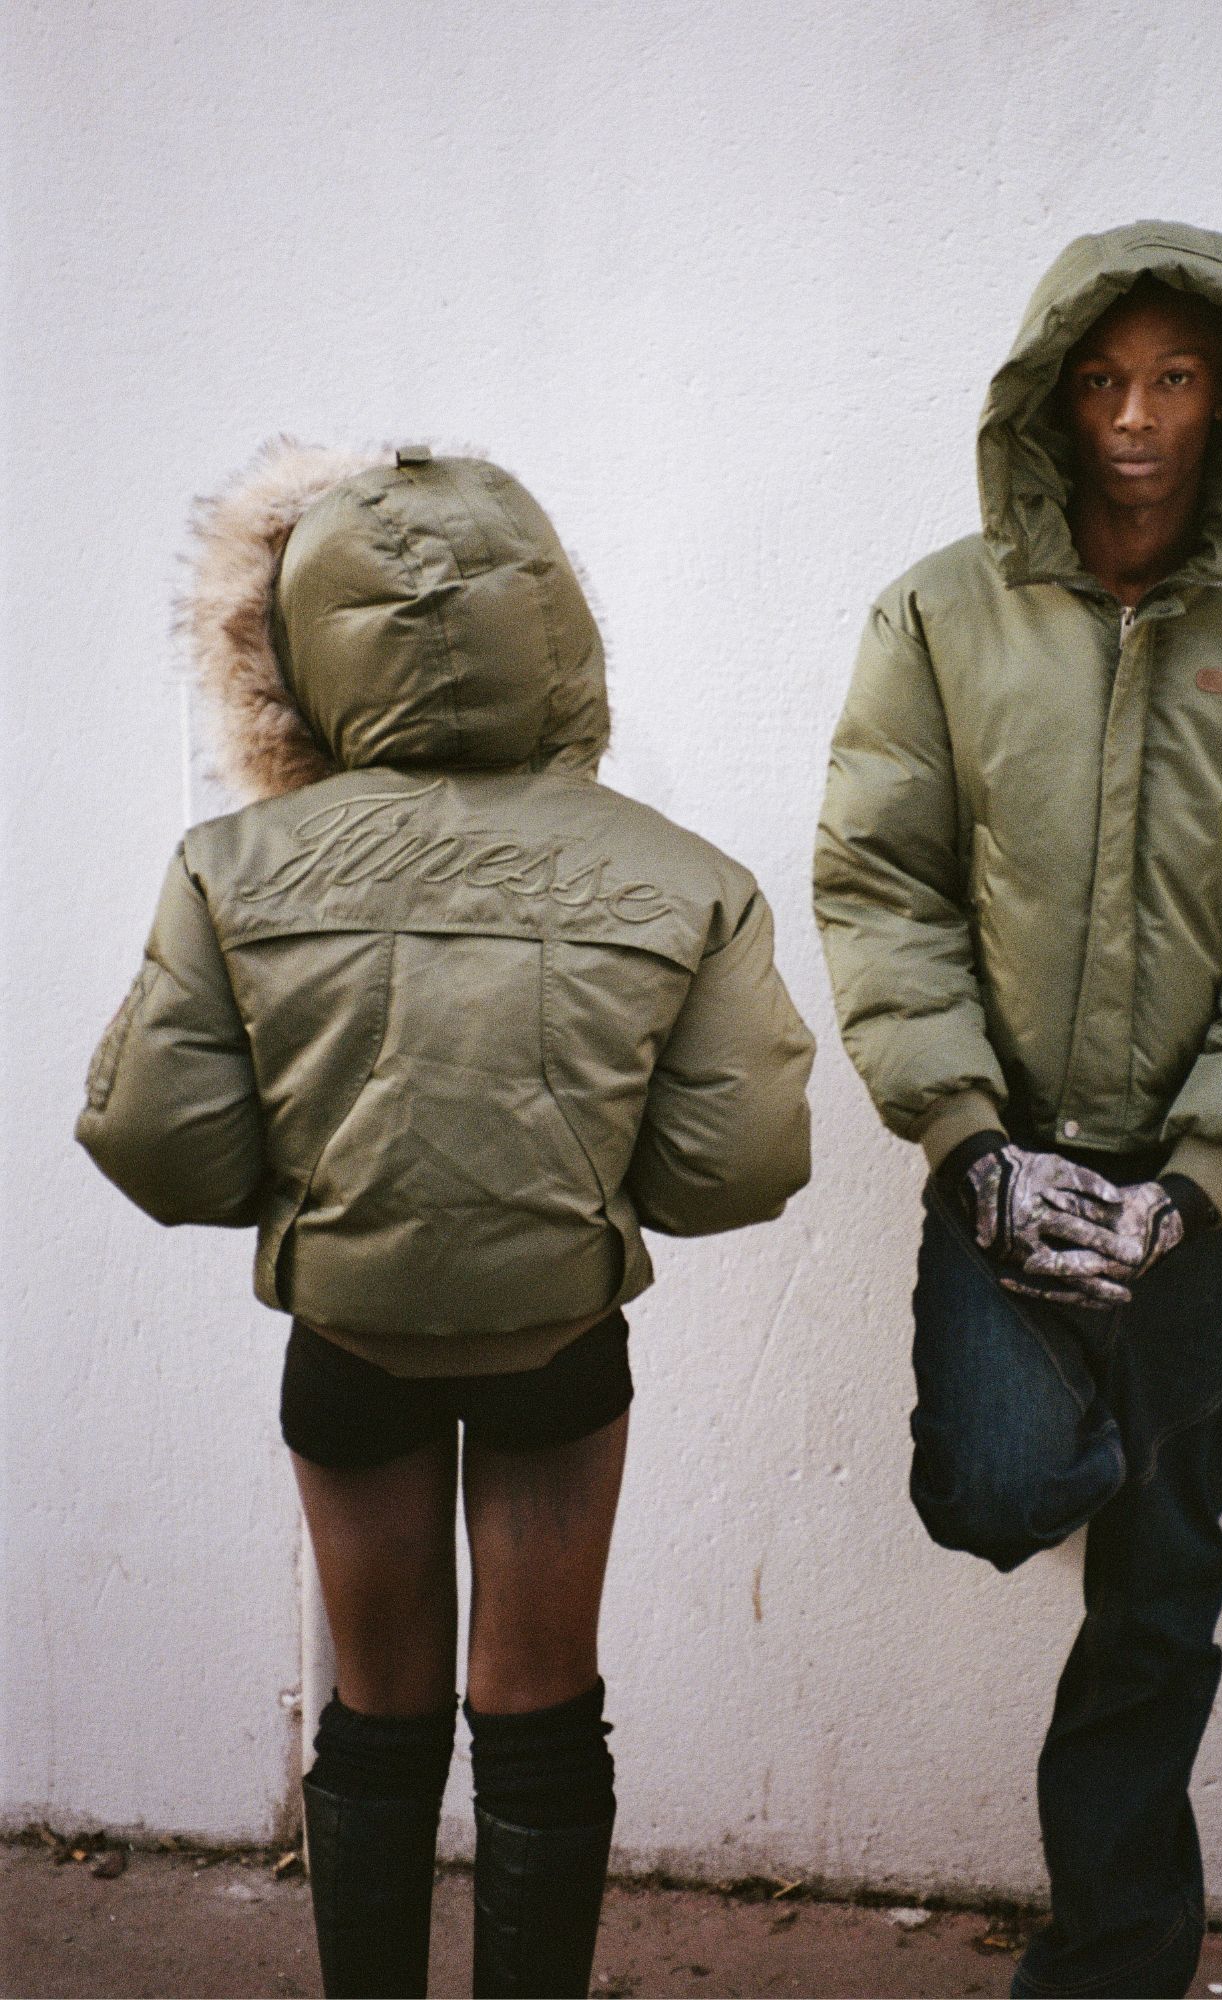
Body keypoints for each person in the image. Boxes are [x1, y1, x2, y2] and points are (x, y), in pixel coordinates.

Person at [77, 442, 815, 2000]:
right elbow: (735, 1166)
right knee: (542, 1707)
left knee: (376, 1709)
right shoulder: (683, 876)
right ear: (553, 625)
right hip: (561, 1344)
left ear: (303, 650)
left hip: (349, 1343)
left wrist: (319, 1184)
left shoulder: (228, 868)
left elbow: (161, 1145)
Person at [814, 221, 1222, 1998]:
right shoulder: (938, 614)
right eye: (1102, 379)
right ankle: (1096, 1417)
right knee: (999, 1487)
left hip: (1198, 1195)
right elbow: (882, 884)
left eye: (1176, 379)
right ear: (1051, 399)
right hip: (1003, 1158)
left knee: (1160, 1584)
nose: (1136, 417)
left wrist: (1200, 1187)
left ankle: (1114, 1962)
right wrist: (972, 1151)